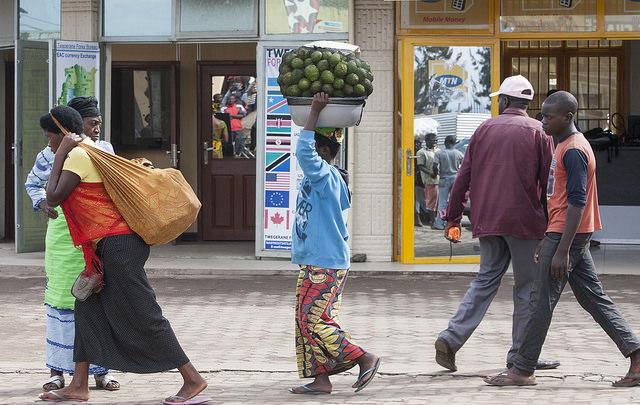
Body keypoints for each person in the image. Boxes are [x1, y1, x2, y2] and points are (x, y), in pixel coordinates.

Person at [39, 106, 208, 404]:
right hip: (106, 247)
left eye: (50, 137)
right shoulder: (88, 151)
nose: (49, 143)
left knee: (144, 312)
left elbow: (53, 195)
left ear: (63, 134)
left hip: (119, 246)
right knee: (86, 309)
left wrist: (61, 154)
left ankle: (192, 378)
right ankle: (79, 385)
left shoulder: (78, 155)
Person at [485, 91, 640, 387]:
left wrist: (562, 249)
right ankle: (637, 355)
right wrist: (549, 235)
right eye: (541, 114)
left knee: (539, 300)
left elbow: (577, 201)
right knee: (593, 298)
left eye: (548, 116)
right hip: (564, 233)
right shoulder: (565, 145)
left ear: (568, 116)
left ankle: (522, 369)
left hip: (569, 236)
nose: (542, 120)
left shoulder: (573, 150)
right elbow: (561, 198)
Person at [434, 75, 560, 373]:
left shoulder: (484, 129)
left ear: (504, 101)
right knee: (527, 287)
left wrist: (453, 216)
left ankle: (451, 338)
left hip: (488, 219)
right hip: (526, 223)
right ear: (526, 104)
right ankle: (521, 355)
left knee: (485, 280)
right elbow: (549, 182)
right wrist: (551, 224)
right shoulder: (539, 132)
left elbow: (462, 177)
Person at [25, 97, 120, 393]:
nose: (96, 129)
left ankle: (100, 374)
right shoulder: (49, 153)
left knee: (95, 301)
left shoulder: (104, 150)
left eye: (98, 124)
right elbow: (34, 184)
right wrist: (42, 204)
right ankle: (57, 372)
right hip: (62, 240)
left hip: (95, 237)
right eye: (92, 123)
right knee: (61, 301)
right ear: (73, 125)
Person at [289, 93, 381, 395]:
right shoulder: (321, 177)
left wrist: (314, 111)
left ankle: (363, 357)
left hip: (325, 263)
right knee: (307, 321)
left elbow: (304, 151)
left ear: (324, 150)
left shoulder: (325, 176)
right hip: (316, 260)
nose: (308, 151)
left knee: (314, 321)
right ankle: (321, 379)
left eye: (315, 146)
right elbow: (306, 151)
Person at [432, 135, 464, 230]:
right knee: (455, 201)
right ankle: (455, 223)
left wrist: (435, 174)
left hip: (443, 179)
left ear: (445, 142)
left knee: (442, 202)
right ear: (455, 143)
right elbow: (464, 166)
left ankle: (439, 223)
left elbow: (434, 166)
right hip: (455, 178)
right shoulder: (459, 154)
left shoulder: (439, 153)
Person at [416, 132, 439, 226]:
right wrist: (431, 173)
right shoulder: (421, 152)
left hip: (440, 179)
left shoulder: (438, 151)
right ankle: (433, 221)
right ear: (426, 141)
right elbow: (420, 166)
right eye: (432, 140)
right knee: (431, 201)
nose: (434, 142)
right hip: (430, 180)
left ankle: (437, 220)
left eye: (436, 140)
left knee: (439, 201)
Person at [414, 135, 428, 227]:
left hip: (423, 178)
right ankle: (417, 218)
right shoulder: (412, 152)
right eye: (415, 143)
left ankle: (424, 216)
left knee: (422, 199)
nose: (417, 145)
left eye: (419, 143)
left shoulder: (422, 152)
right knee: (417, 200)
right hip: (416, 178)